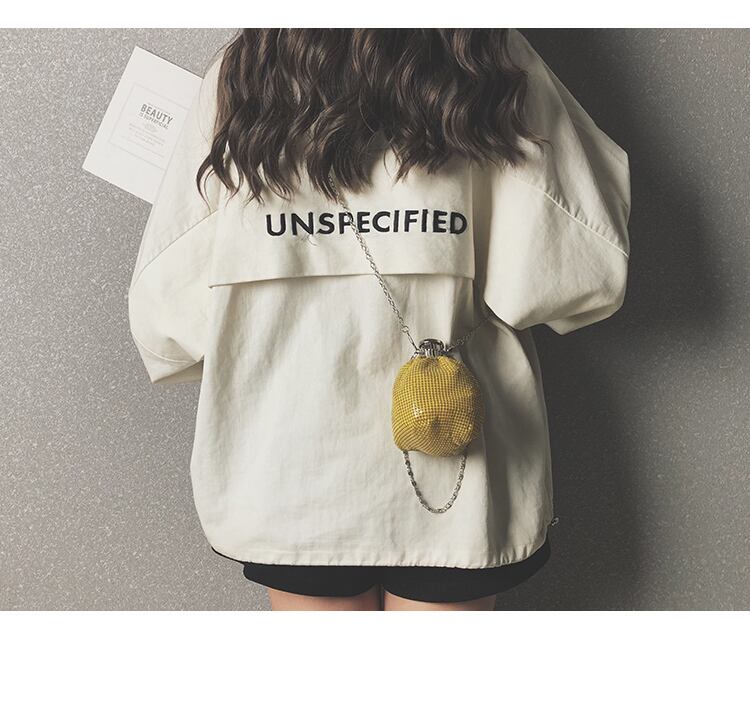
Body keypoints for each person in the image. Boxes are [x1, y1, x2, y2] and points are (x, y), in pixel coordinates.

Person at [127, 28, 631, 611]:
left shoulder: (246, 71)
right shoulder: (484, 59)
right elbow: (579, 272)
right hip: (454, 451)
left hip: (290, 454)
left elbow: (170, 306)